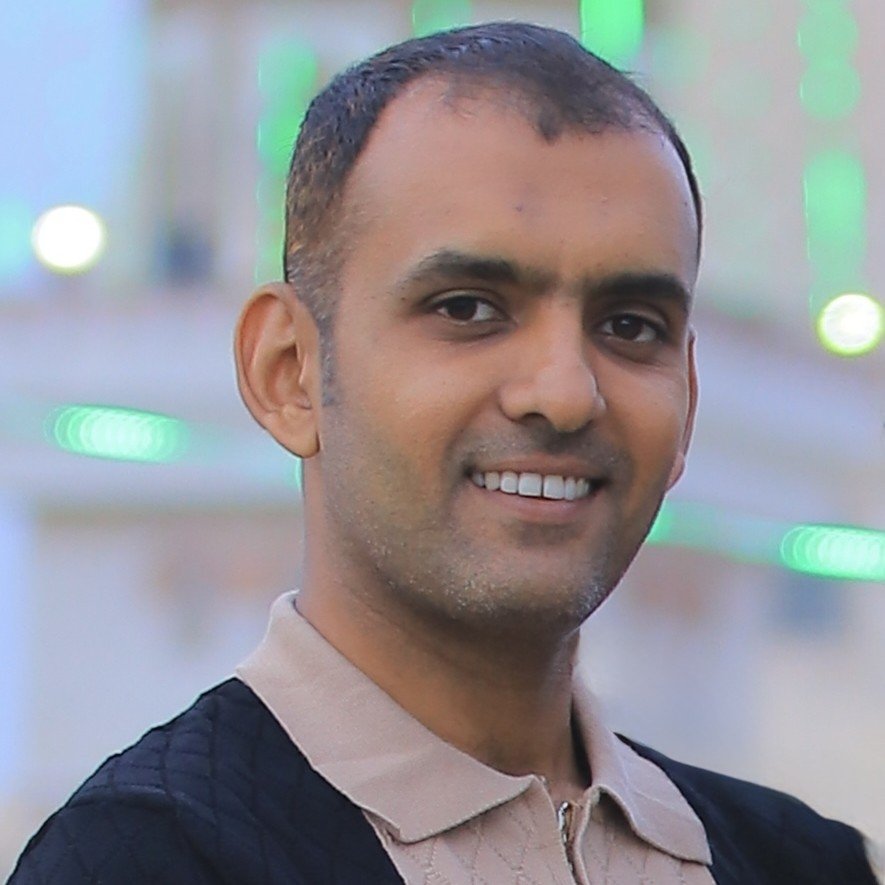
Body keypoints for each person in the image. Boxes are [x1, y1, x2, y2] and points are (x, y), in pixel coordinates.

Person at [8, 21, 882, 885]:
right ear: (288, 371)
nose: (564, 391)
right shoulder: (144, 860)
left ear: (686, 399)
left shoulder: (803, 864)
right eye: (467, 308)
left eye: (629, 325)